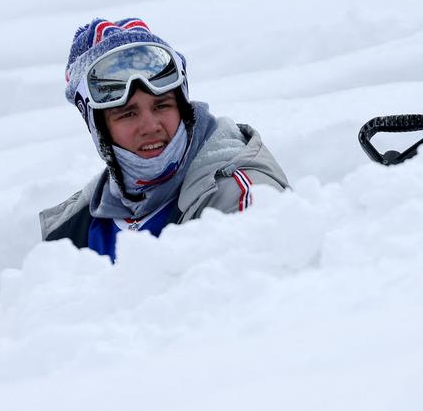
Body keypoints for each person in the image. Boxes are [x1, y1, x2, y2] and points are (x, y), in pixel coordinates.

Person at [39, 17, 289, 260]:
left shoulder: (243, 197)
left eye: (162, 106)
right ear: (98, 128)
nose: (150, 126)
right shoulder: (73, 228)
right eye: (127, 114)